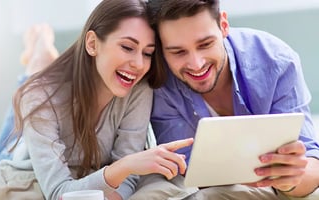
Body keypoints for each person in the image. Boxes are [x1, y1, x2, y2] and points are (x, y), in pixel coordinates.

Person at [0, 0, 193, 199]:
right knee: (12, 138)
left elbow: (129, 178)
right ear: (92, 43)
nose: (139, 63)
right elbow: (58, 192)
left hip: (78, 122)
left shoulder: (138, 87)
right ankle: (38, 57)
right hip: (28, 158)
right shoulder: (39, 97)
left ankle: (44, 61)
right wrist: (124, 166)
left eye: (147, 53)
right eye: (127, 47)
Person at [134, 0, 319, 199]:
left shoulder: (276, 61)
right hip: (198, 186)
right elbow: (185, 170)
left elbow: (311, 160)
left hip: (274, 187)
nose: (197, 64)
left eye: (205, 44)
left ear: (223, 25)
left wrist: (292, 179)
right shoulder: (160, 80)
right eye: (178, 52)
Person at [0, 23, 59, 167]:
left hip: (26, 151)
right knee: (14, 143)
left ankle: (34, 68)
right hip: (43, 143)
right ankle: (35, 68)